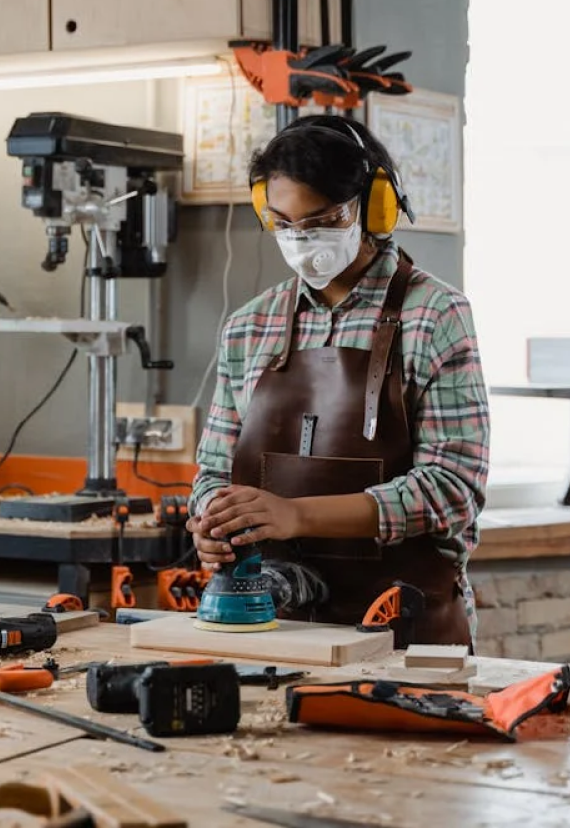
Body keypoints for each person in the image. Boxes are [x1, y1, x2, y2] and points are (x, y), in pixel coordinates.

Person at [186, 114, 490, 647]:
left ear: (373, 207)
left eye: (323, 220)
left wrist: (295, 514)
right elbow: (213, 471)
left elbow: (452, 488)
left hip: (406, 631)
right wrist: (215, 519)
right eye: (284, 224)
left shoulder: (436, 315)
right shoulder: (248, 327)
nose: (303, 241)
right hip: (271, 630)